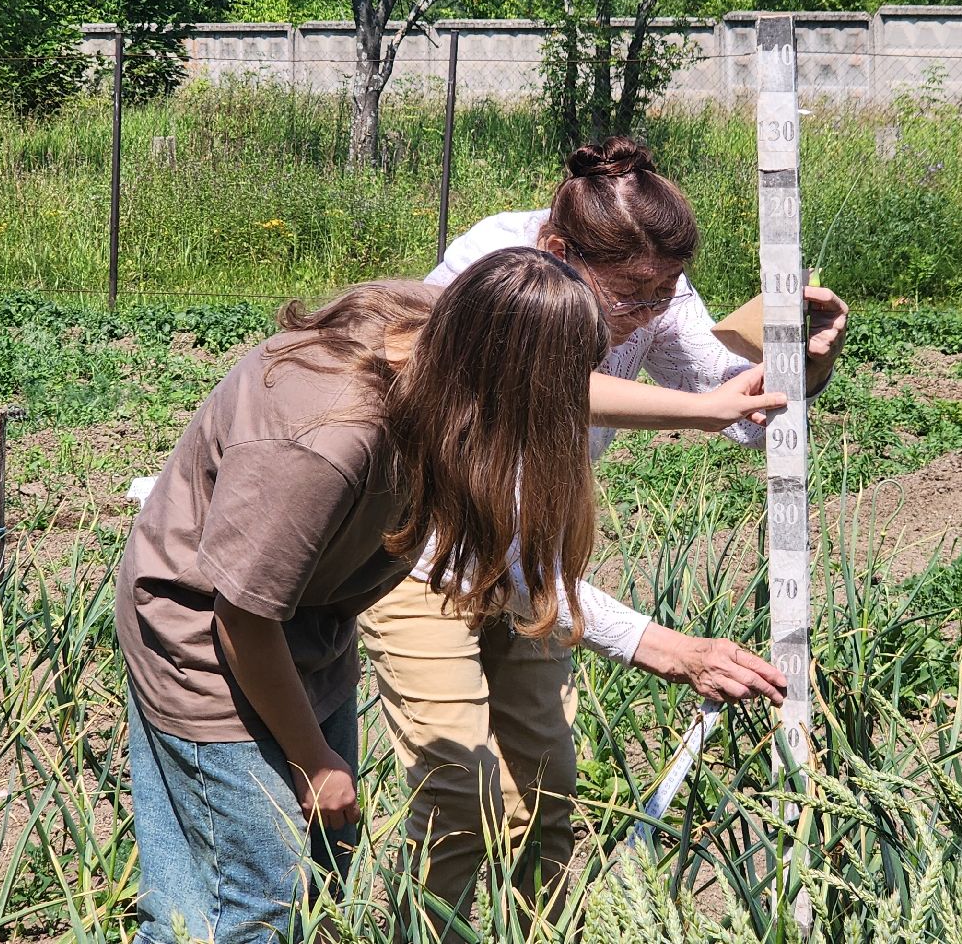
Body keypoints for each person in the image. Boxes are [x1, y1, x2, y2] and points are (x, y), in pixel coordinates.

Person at [118, 249, 757, 944]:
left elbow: (497, 563)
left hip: (307, 626)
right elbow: (240, 615)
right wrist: (312, 758)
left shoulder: (446, 350)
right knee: (252, 908)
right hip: (206, 643)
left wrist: (659, 645)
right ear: (497, 382)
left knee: (318, 885)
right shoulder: (330, 440)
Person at [359, 136, 850, 937]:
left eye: (667, 292)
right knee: (456, 790)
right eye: (635, 295)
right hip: (427, 553)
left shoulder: (651, 289)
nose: (653, 311)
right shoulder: (496, 266)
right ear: (560, 251)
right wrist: (657, 644)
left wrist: (803, 365)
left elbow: (746, 418)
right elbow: (531, 387)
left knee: (546, 800)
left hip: (536, 559)